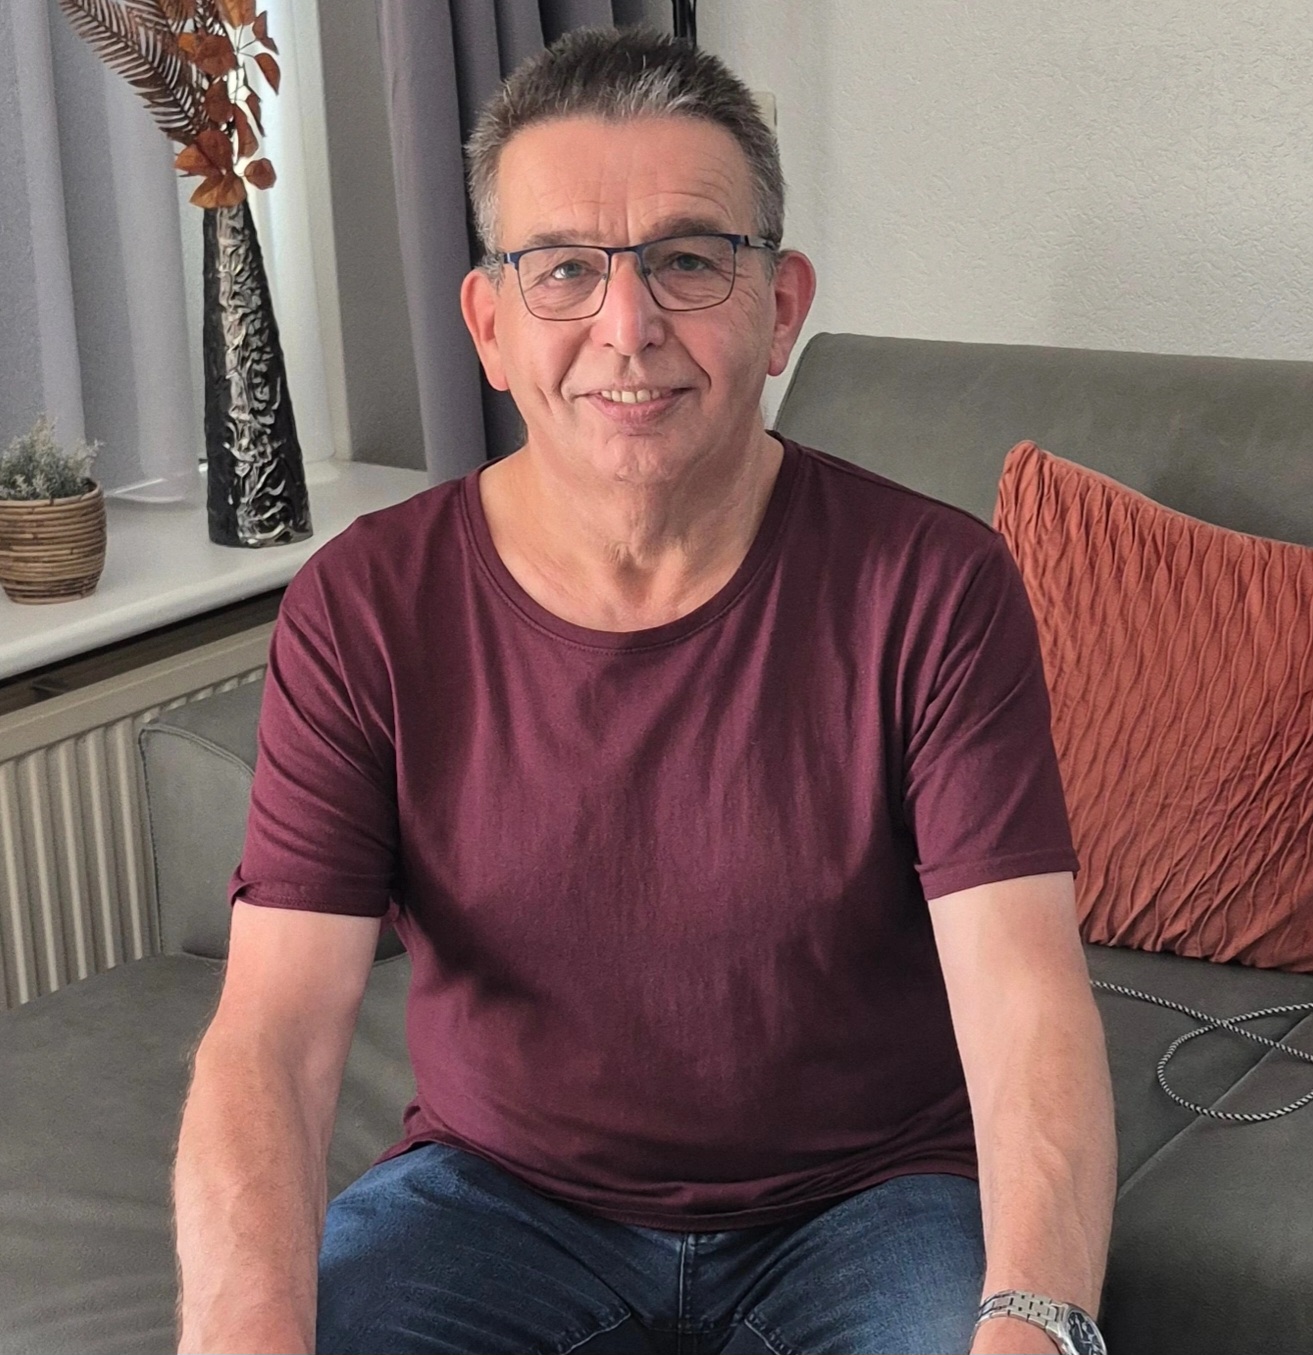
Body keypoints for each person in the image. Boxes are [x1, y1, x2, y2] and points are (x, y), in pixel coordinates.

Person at [174, 26, 1115, 1355]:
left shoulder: (934, 587)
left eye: (687, 259)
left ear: (779, 308)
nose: (627, 329)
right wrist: (245, 1331)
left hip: (873, 1198)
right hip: (497, 1195)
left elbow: (1025, 1001)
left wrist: (1033, 1322)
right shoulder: (365, 606)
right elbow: (271, 1034)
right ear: (490, 325)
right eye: (564, 268)